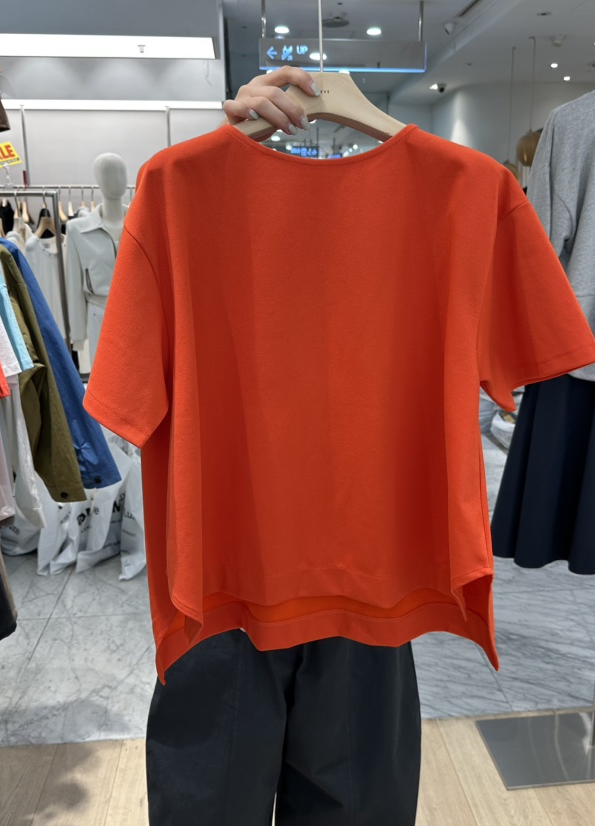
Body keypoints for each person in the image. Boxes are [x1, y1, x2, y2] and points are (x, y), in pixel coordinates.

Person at [144, 66, 422, 826]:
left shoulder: (461, 196)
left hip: (347, 581)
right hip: (237, 584)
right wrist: (218, 153)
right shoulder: (175, 194)